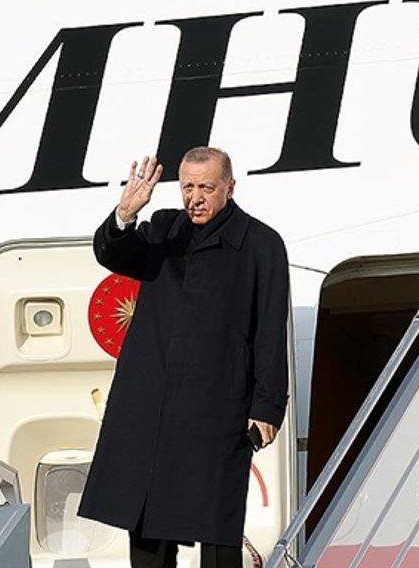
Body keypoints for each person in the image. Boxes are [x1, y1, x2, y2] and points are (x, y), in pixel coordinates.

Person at [77, 147, 290, 568]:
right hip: (151, 403)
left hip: (218, 408)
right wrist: (125, 214)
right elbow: (113, 255)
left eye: (206, 187)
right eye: (188, 187)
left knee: (217, 525)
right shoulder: (163, 229)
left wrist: (267, 407)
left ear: (230, 187)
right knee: (146, 522)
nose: (195, 198)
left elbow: (270, 330)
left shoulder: (261, 244)